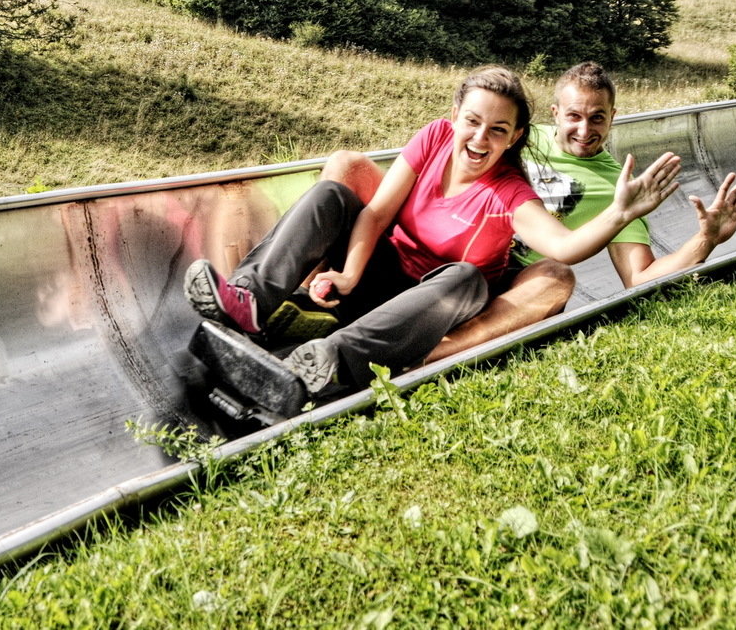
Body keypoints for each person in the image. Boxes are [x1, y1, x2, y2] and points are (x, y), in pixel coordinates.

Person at [185, 65, 683, 398]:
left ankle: (337, 361)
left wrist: (618, 213)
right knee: (333, 195)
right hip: (377, 277)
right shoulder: (434, 138)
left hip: (423, 310)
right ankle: (250, 299)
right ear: (454, 118)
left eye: (497, 131)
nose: (479, 139)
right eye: (472, 122)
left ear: (515, 138)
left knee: (468, 278)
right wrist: (350, 275)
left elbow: (563, 247)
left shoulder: (509, 192)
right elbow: (376, 214)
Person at [422, 61, 736, 362]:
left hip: (514, 286)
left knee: (555, 277)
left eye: (597, 118)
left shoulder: (620, 188)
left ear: (612, 117)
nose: (585, 131)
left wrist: (705, 240)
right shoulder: (514, 137)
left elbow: (638, 278)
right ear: (555, 113)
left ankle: (432, 357)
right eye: (574, 116)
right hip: (459, 254)